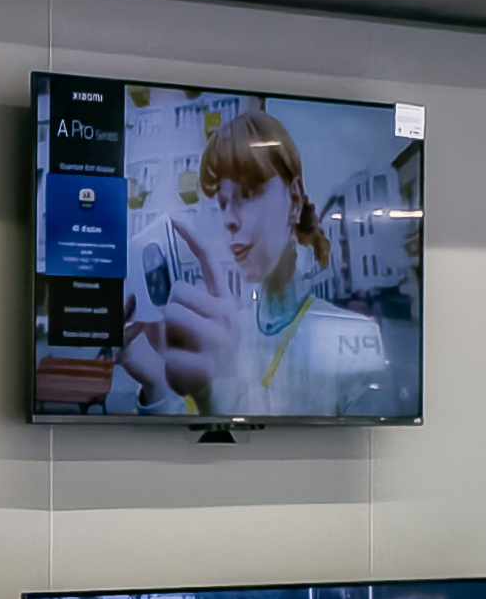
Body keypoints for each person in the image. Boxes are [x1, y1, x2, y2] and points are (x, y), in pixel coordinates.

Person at [118, 107, 390, 417]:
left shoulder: (354, 339)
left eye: (247, 193)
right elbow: (197, 437)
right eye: (222, 203)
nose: (229, 219)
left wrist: (215, 393)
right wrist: (156, 383)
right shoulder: (230, 329)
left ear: (294, 200)